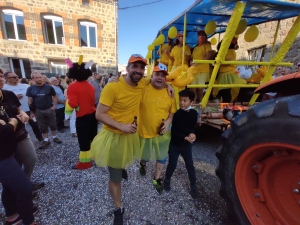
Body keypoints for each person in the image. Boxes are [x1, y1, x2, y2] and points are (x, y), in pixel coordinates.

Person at [90, 54, 173, 225]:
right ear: (127, 68)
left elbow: (157, 80)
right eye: (134, 66)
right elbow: (99, 114)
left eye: (141, 67)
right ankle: (118, 208)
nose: (138, 70)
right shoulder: (112, 88)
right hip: (114, 136)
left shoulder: (142, 82)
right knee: (115, 179)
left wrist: (168, 84)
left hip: (130, 136)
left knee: (125, 161)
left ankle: (121, 168)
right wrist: (121, 126)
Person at [1, 76, 45, 191]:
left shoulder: (8, 94)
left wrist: (24, 114)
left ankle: (25, 183)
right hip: (4, 139)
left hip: (19, 134)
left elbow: (18, 109)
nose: (0, 79)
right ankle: (20, 190)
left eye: (0, 76)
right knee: (13, 167)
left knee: (31, 160)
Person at [138, 63, 177, 194]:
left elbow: (172, 112)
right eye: (157, 75)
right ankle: (143, 164)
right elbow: (132, 80)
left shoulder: (170, 93)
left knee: (162, 156)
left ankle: (157, 177)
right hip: (144, 131)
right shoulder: (144, 87)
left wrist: (168, 122)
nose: (160, 78)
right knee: (145, 155)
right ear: (151, 75)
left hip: (162, 132)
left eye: (163, 76)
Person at [0, 115, 38, 225]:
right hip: (2, 157)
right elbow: (4, 131)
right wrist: (13, 123)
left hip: (9, 150)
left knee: (9, 187)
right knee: (24, 188)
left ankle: (12, 216)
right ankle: (29, 222)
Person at [164, 89, 198, 199]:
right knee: (172, 164)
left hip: (186, 146)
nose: (181, 103)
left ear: (191, 102)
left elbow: (193, 127)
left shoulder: (194, 113)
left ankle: (193, 186)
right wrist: (185, 137)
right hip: (175, 144)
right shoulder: (177, 114)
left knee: (190, 166)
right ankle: (167, 180)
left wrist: (193, 134)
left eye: (185, 100)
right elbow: (174, 131)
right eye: (180, 100)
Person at [66, 58, 98, 170]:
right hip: (93, 115)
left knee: (83, 140)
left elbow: (73, 103)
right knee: (92, 137)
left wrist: (68, 109)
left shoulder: (72, 86)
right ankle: (95, 157)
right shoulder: (90, 86)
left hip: (82, 117)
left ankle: (85, 162)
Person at [4, 71, 43, 142]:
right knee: (21, 128)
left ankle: (40, 137)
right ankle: (25, 142)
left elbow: (33, 93)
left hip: (29, 110)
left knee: (35, 124)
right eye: (13, 77)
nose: (16, 78)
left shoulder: (25, 86)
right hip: (16, 112)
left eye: (17, 76)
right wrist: (14, 97)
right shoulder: (4, 88)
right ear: (6, 78)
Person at [26, 71, 62, 149]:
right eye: (37, 78)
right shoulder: (30, 89)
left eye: (40, 77)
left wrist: (54, 106)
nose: (39, 79)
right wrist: (32, 112)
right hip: (38, 110)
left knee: (53, 124)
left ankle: (54, 137)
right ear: (33, 79)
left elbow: (55, 97)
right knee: (42, 125)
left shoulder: (49, 87)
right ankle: (46, 140)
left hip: (49, 108)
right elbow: (29, 100)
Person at [189, 30, 213, 102]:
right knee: (193, 88)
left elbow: (208, 55)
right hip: (194, 70)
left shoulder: (207, 45)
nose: (201, 36)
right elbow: (192, 58)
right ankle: (193, 102)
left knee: (200, 88)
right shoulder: (195, 48)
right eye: (199, 35)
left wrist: (197, 63)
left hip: (203, 70)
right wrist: (191, 61)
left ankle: (200, 102)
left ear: (206, 37)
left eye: (203, 35)